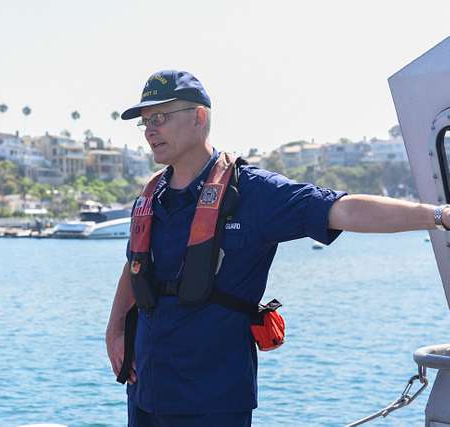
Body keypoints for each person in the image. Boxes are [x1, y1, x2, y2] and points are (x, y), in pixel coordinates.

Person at [105, 69, 450, 427]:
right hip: (146, 391)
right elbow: (135, 266)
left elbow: (343, 209)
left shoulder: (254, 192)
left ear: (199, 117)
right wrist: (114, 328)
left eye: (160, 117)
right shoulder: (150, 197)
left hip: (211, 400)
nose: (149, 130)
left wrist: (439, 215)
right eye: (145, 122)